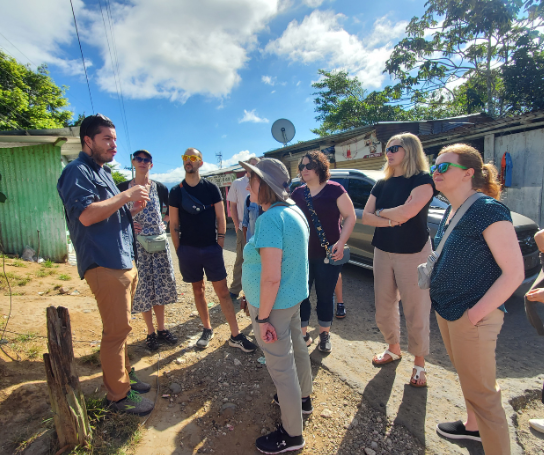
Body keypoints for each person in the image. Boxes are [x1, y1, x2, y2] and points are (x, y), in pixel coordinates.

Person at [57, 114, 154, 416]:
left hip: (122, 259)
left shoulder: (102, 171)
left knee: (122, 328)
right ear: (88, 141)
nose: (114, 145)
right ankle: (118, 396)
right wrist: (126, 195)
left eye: (114, 139)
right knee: (116, 332)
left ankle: (123, 377)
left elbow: (108, 215)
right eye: (106, 139)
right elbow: (86, 215)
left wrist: (130, 213)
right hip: (104, 263)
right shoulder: (77, 171)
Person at [430, 144, 523, 454]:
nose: (435, 172)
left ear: (468, 173)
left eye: (444, 167)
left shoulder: (487, 209)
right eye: (435, 166)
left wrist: (475, 314)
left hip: (472, 316)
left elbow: (514, 273)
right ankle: (473, 429)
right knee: (469, 380)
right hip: (449, 311)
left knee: (484, 396)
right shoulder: (451, 207)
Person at [240, 158, 312, 454]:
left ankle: (292, 435)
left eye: (251, 178)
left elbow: (270, 278)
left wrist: (263, 317)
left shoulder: (270, 219)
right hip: (293, 298)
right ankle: (303, 400)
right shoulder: (294, 211)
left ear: (264, 184)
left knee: (281, 368)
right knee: (297, 348)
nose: (247, 184)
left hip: (274, 305)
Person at [362, 133, 435, 387]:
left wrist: (381, 214)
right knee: (384, 305)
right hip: (383, 249)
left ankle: (419, 364)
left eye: (394, 148)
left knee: (416, 309)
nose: (389, 153)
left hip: (414, 251)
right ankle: (393, 349)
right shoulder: (382, 183)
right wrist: (391, 219)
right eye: (387, 149)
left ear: (410, 150)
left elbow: (408, 212)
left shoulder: (423, 179)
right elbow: (366, 217)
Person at [169, 148, 257, 352]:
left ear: (200, 162)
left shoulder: (210, 188)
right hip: (188, 250)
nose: (188, 161)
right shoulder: (176, 191)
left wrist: (219, 243)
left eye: (193, 158)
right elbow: (173, 224)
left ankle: (235, 335)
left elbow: (221, 217)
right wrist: (179, 250)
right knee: (197, 290)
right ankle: (207, 329)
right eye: (185, 158)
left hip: (211, 248)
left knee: (223, 292)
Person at [291, 151, 356, 353]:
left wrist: (341, 242)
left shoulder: (335, 190)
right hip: (302, 256)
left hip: (329, 256)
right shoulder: (297, 193)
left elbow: (350, 217)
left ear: (320, 167)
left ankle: (324, 334)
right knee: (302, 296)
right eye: (301, 167)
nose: (304, 170)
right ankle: (303, 334)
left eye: (308, 166)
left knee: (326, 296)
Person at [117, 150, 178, 351]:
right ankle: (150, 332)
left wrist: (163, 223)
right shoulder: (122, 188)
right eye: (139, 159)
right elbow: (115, 214)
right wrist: (128, 223)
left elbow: (170, 213)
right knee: (144, 289)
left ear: (151, 165)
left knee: (159, 286)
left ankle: (161, 329)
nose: (143, 162)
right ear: (133, 162)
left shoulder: (160, 188)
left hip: (159, 243)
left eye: (147, 160)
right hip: (138, 246)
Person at [227, 157, 260, 299]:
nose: (253, 167)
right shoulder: (238, 183)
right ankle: (235, 289)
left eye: (256, 165)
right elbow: (232, 205)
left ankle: (254, 291)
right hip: (243, 227)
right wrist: (236, 225)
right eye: (251, 165)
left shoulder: (262, 183)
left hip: (260, 228)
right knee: (241, 258)